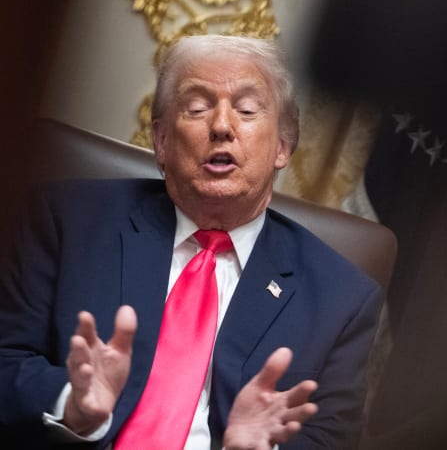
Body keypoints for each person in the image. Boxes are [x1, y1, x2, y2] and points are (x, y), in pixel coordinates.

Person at [0, 34, 384, 449]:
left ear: (283, 146)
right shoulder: (66, 220)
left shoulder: (343, 298)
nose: (221, 126)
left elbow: (330, 440)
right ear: (162, 142)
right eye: (197, 108)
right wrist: (72, 404)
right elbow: (7, 360)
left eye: (248, 109)